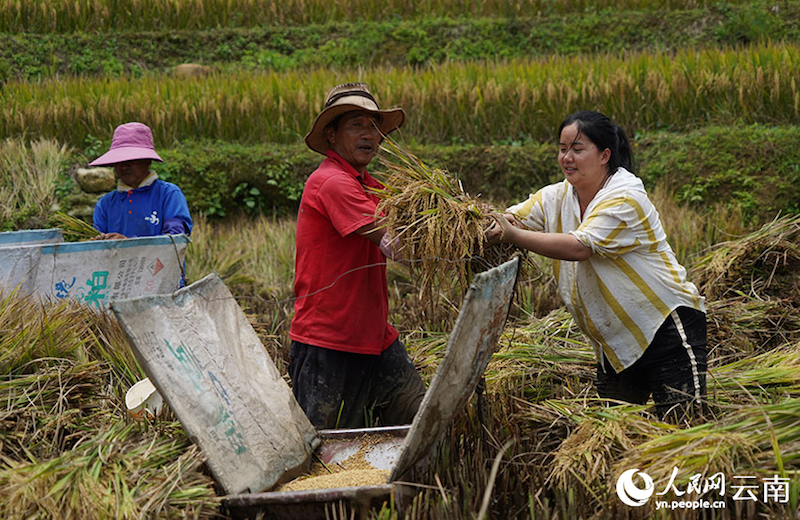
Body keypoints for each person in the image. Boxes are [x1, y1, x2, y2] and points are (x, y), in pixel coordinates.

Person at [487, 110, 707, 421]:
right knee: (610, 434)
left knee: (685, 429)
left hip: (664, 329)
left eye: (578, 149)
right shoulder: (556, 196)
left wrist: (513, 235)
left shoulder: (625, 196)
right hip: (613, 343)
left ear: (605, 155)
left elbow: (579, 247)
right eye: (563, 149)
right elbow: (515, 217)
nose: (567, 158)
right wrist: (498, 223)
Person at [288, 82, 427, 429]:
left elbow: (411, 222)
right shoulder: (332, 182)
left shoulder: (371, 185)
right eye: (357, 125)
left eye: (374, 125)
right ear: (332, 136)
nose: (369, 134)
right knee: (328, 454)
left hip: (375, 336)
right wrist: (453, 243)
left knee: (420, 422)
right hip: (329, 342)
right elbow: (394, 243)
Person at [89, 122, 192, 241]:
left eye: (131, 160)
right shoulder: (105, 204)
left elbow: (175, 239)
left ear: (147, 161)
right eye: (119, 162)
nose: (124, 167)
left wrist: (129, 243)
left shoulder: (168, 195)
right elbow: (97, 249)